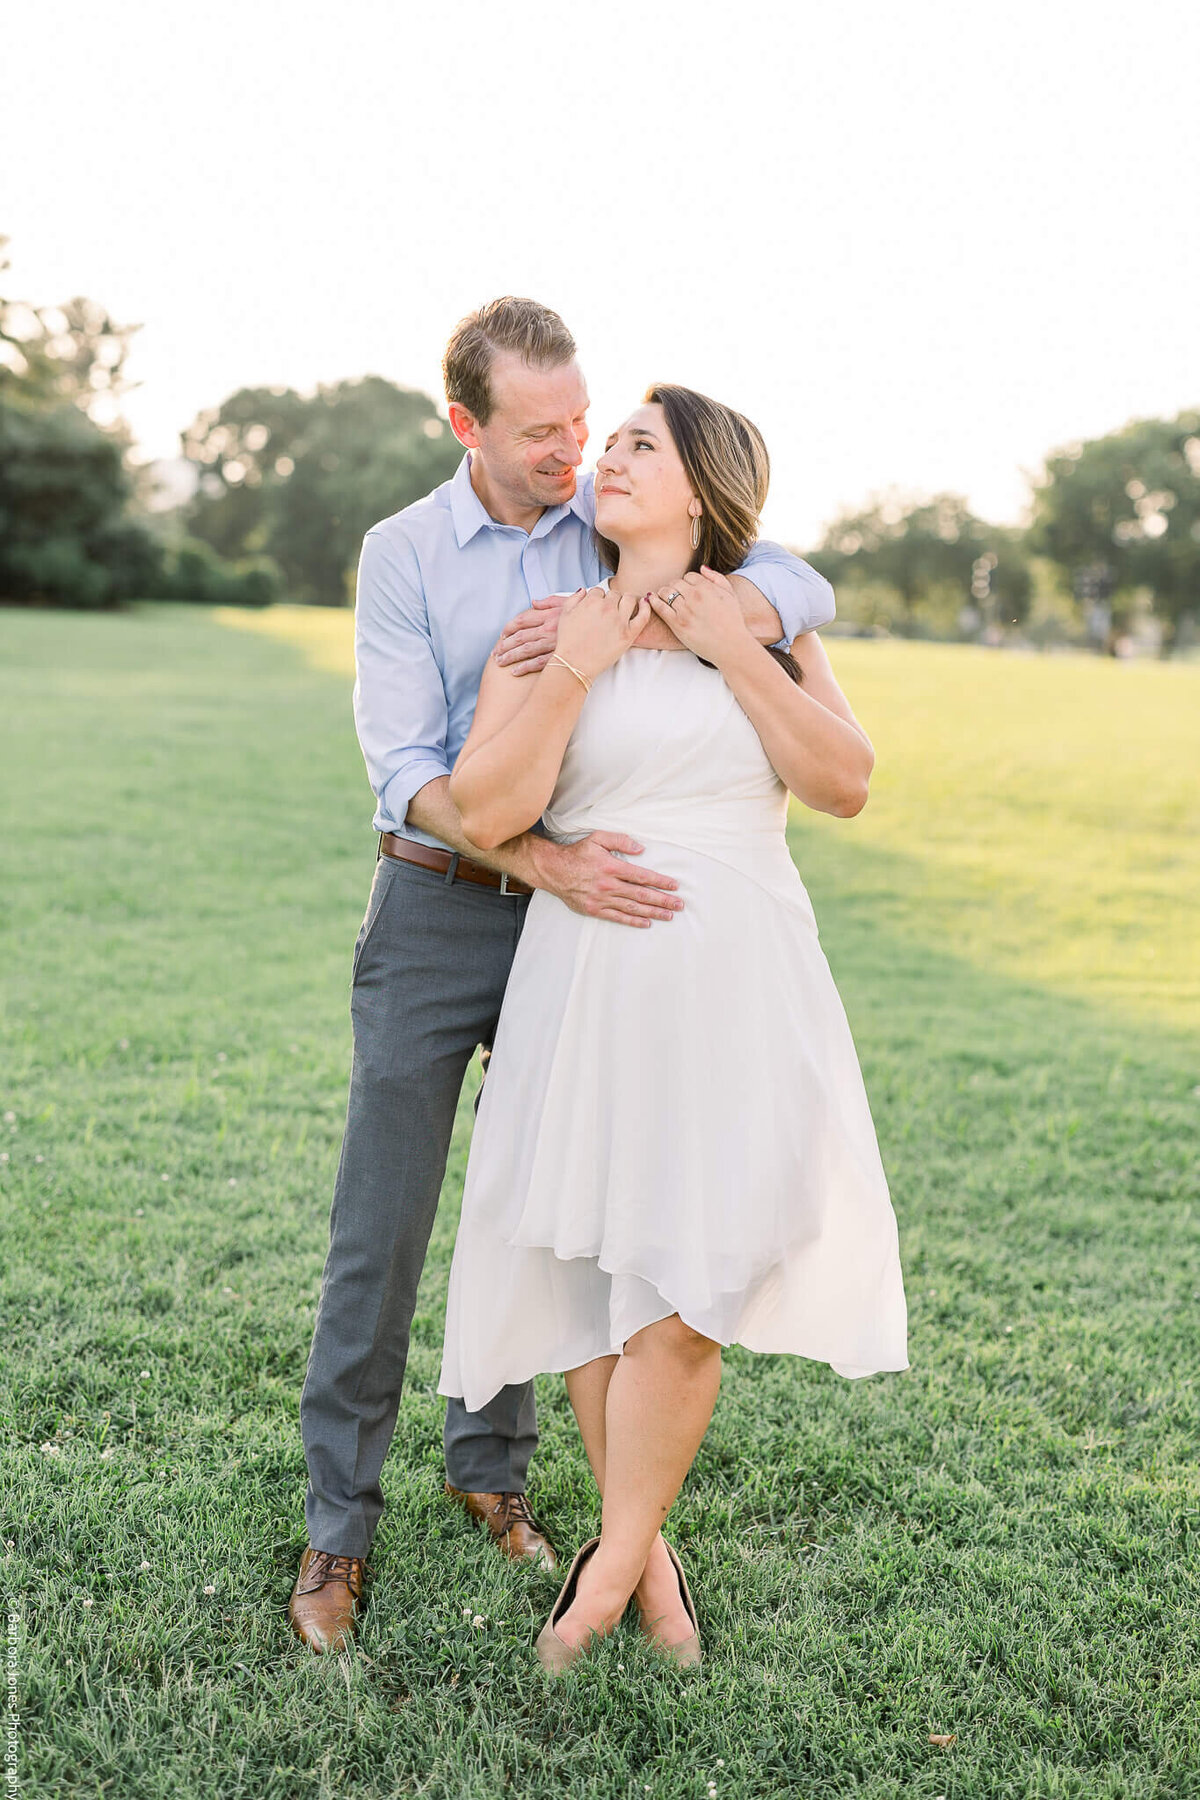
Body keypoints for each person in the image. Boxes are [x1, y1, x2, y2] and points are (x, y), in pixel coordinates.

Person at [288, 301, 837, 1653]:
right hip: (445, 904)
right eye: (538, 431)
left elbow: (770, 556)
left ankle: (498, 1477)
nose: (568, 451)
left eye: (581, 424)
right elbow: (408, 770)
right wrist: (541, 861)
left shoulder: (607, 519)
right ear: (466, 424)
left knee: (562, 1206)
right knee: (386, 1226)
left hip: (589, 930)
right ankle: (336, 1532)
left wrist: (770, 602)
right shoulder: (406, 553)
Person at [438, 383, 909, 1672]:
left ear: (699, 486)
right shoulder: (550, 631)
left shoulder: (767, 620)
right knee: (597, 1276)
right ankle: (647, 1574)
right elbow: (486, 810)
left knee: (690, 1293)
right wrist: (579, 667)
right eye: (613, 443)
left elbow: (845, 783)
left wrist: (736, 646)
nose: (609, 459)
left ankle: (601, 1582)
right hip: (589, 980)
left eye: (640, 443)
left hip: (742, 982)